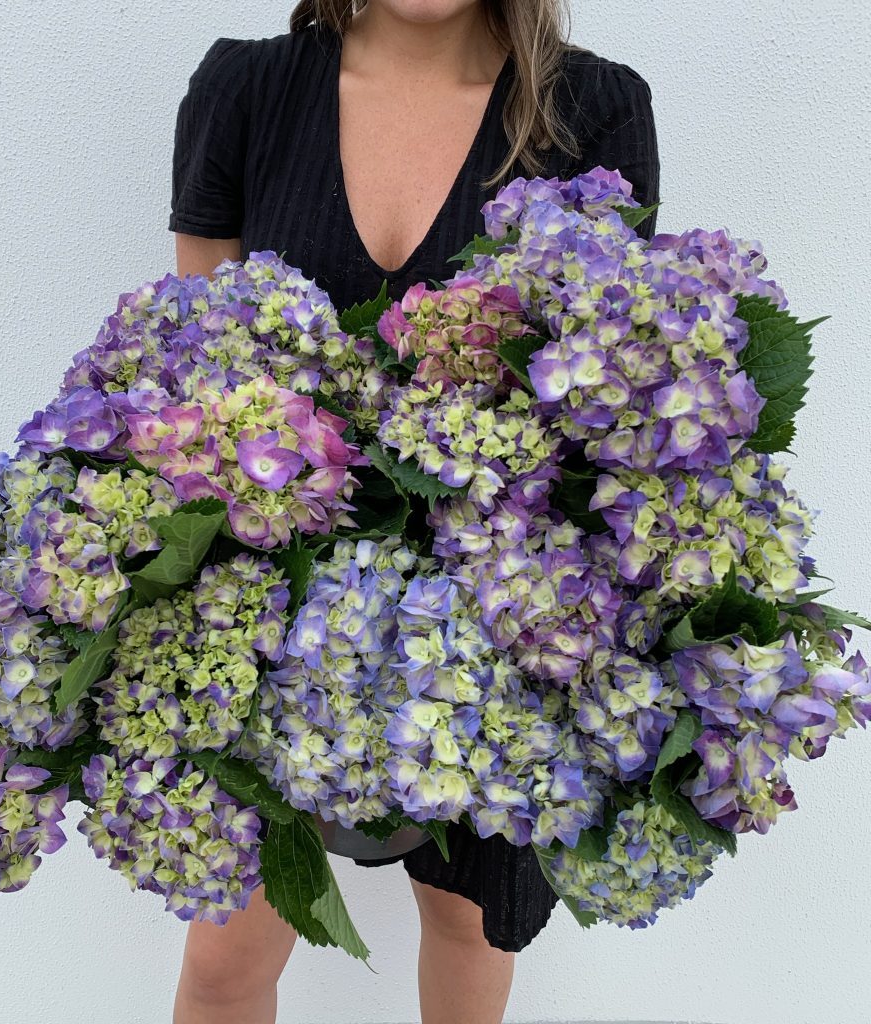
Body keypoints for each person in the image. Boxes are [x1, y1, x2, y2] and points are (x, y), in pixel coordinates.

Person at [167, 1, 659, 1021]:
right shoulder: (246, 90)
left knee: (466, 929)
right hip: (271, 602)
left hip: (499, 605)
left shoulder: (595, 111)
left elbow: (614, 386)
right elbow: (196, 372)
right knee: (222, 968)